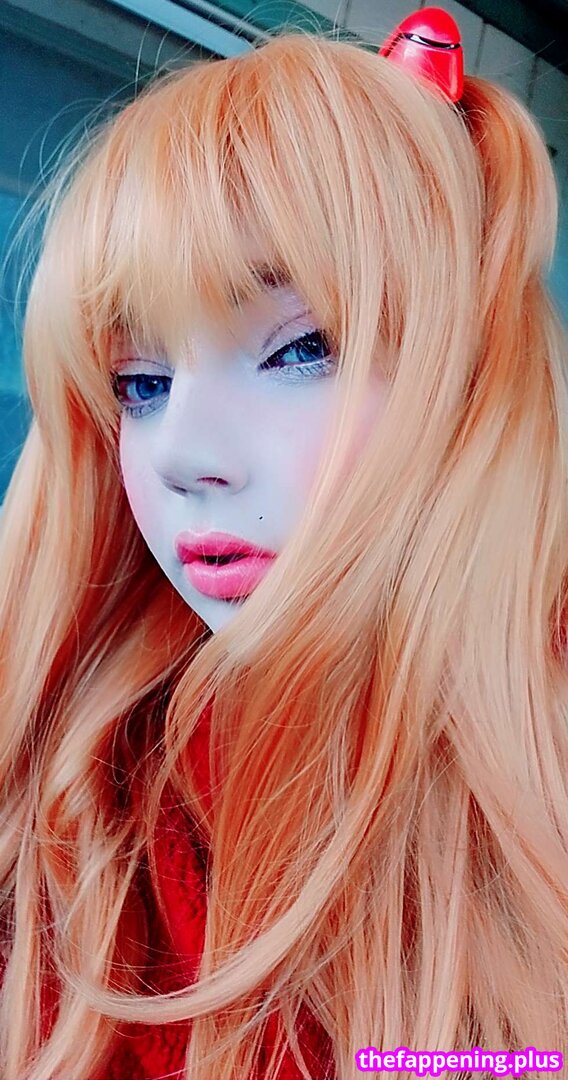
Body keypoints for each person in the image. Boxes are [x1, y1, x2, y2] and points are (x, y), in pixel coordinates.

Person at [0, 8, 567, 1079]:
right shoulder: (74, 798)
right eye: (141, 383)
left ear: (469, 382)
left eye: (302, 348)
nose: (184, 457)